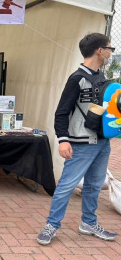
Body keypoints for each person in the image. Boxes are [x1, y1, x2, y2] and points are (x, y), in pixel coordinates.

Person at [36, 33, 117, 245]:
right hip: (81, 144)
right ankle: (52, 225)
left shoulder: (102, 78)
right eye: (110, 48)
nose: (111, 52)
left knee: (94, 185)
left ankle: (88, 223)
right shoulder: (77, 79)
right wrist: (63, 140)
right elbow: (61, 112)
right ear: (100, 50)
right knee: (66, 185)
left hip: (102, 142)